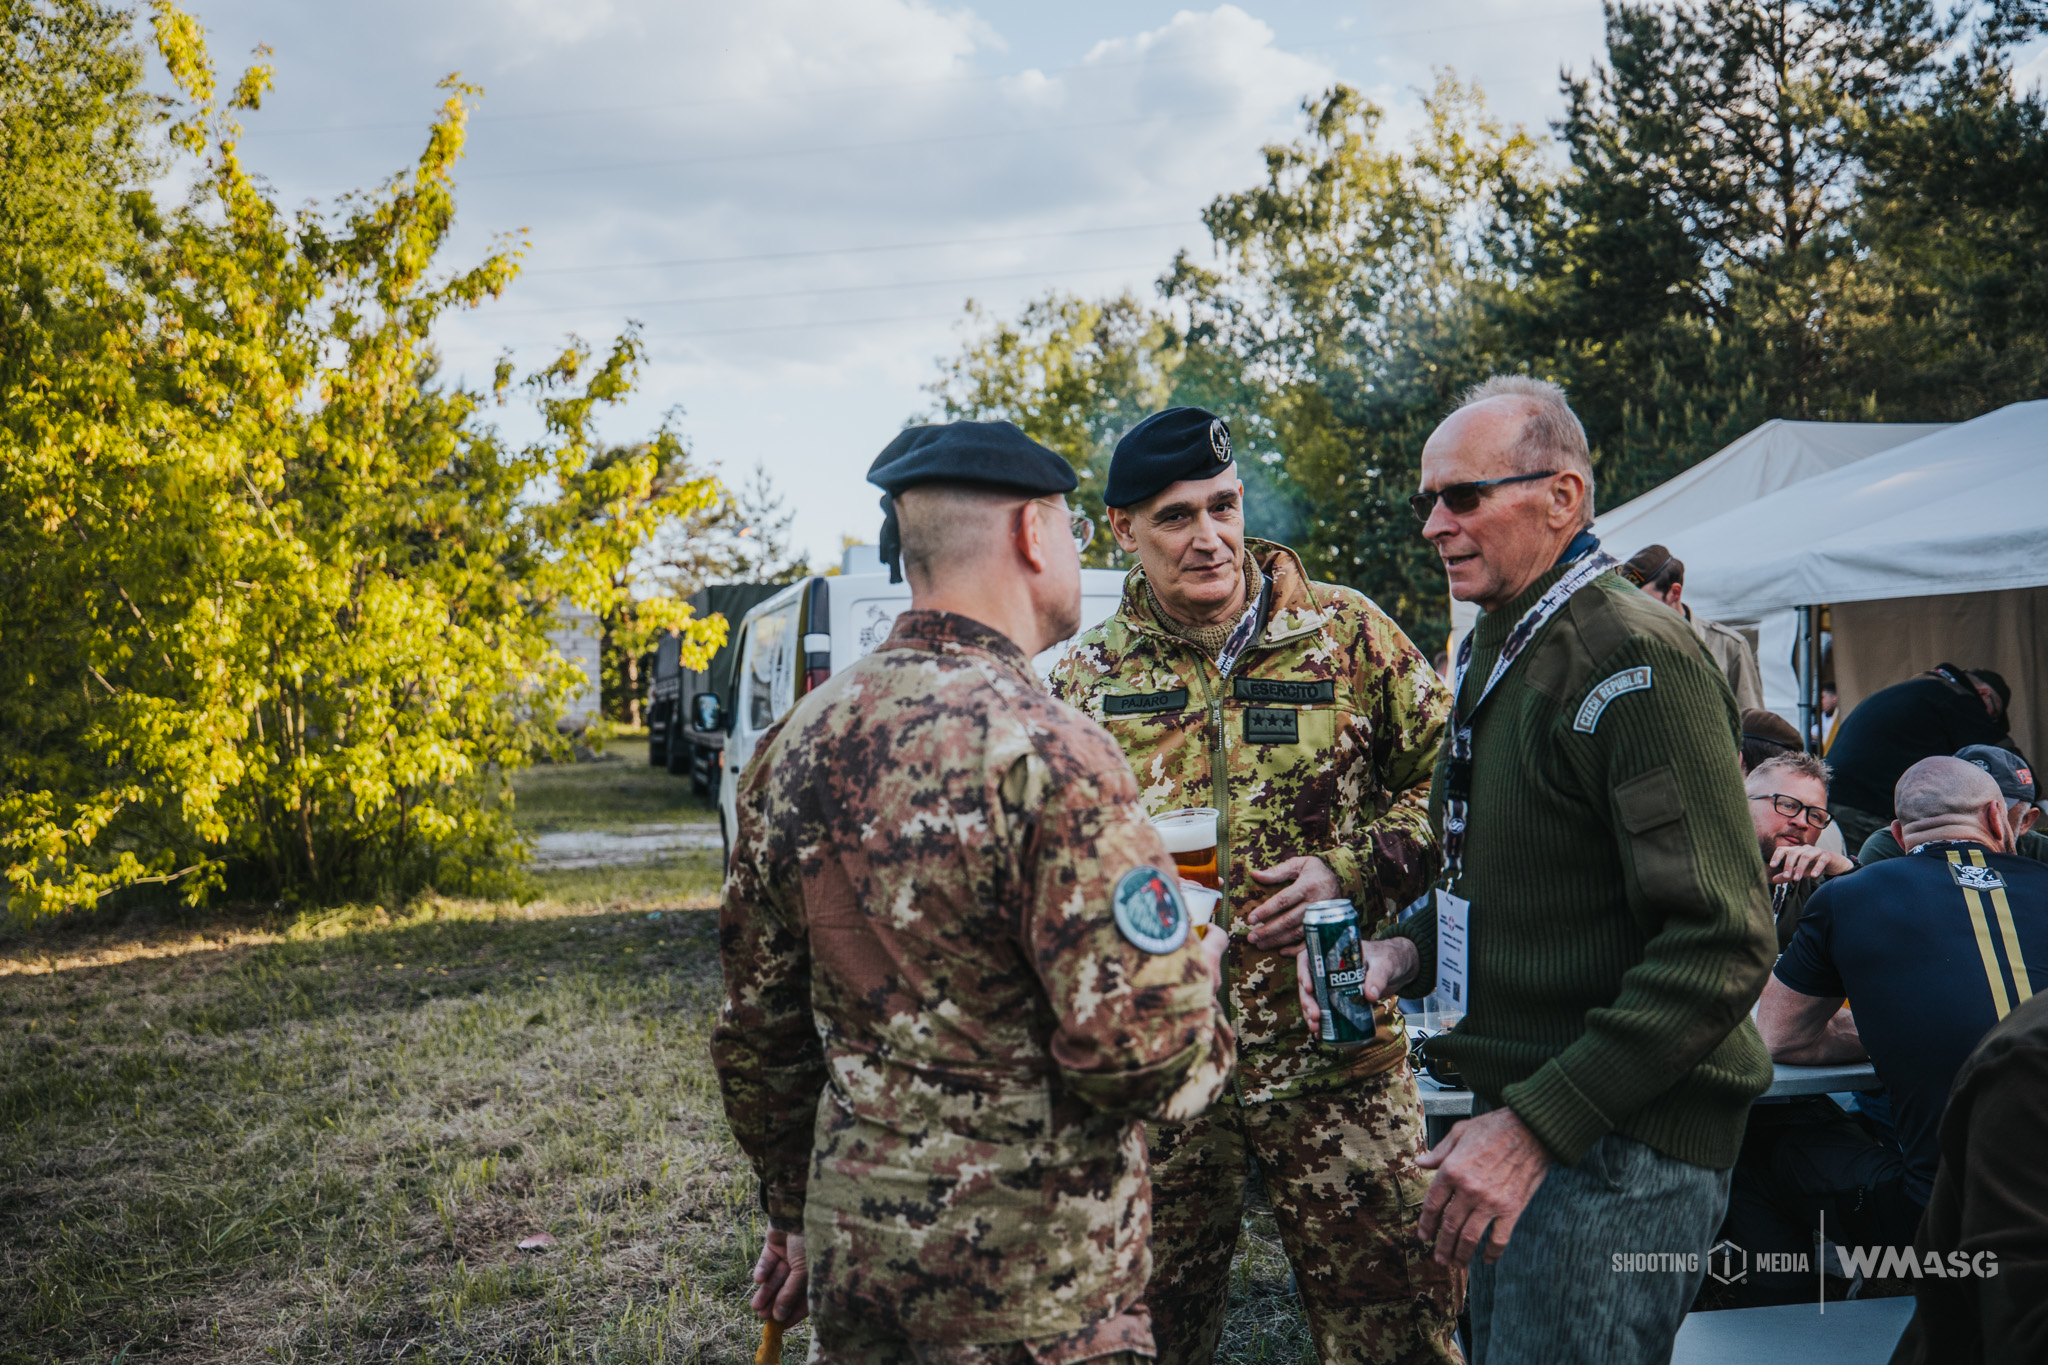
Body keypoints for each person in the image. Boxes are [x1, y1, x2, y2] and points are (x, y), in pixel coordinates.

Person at [712, 420, 1237, 1365]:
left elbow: (758, 1030)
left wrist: (790, 1208)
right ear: (1035, 534)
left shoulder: (799, 740)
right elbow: (1140, 1055)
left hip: (865, 1259)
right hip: (1036, 1286)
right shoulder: (1052, 748)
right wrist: (1200, 974)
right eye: (1074, 528)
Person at [1301, 375, 1775, 1365]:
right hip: (1531, 1128)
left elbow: (1720, 945)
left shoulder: (1631, 658)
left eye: (1461, 495)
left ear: (1561, 498)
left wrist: (1529, 1131)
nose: (1433, 524)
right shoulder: (1502, 644)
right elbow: (1500, 872)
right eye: (1429, 498)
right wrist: (1396, 952)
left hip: (1610, 1149)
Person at [1048, 406, 1461, 1365]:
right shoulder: (1081, 680)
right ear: (1123, 530)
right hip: (1163, 1074)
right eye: (1177, 517)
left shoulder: (1349, 636)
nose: (1211, 538)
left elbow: (1456, 791)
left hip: (1337, 1053)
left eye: (1224, 506)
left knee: (1398, 1333)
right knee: (1141, 1339)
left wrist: (1353, 870)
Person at [1759, 756, 2048, 1283]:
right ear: (1997, 817)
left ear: (1897, 832)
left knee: (1762, 1133)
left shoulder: (1847, 897)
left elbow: (1776, 1037)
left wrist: (1889, 1032)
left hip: (1947, 1231)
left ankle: (1780, 1316)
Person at [1889, 990, 2048, 1365]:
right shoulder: (2032, 1064)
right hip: (1920, 1195)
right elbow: (2022, 1340)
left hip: (1918, 1179)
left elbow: (1782, 1034)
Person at [1822, 664, 2016, 849]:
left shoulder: (1920, 690)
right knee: (1871, 875)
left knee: (1843, 871)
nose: (1987, 720)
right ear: (1984, 694)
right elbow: (2004, 757)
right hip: (1867, 807)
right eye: (1993, 714)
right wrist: (2038, 794)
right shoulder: (1958, 697)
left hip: (1834, 796)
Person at [1618, 544, 1764, 712]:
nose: (1635, 609)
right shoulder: (1628, 647)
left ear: (1674, 592)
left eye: (1643, 601)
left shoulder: (1727, 645)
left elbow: (1753, 722)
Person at [1860, 744, 2048, 865]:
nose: (1967, 820)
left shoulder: (2041, 854)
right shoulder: (1887, 848)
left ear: (2026, 821)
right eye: (1958, 803)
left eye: (1989, 810)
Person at [1746, 752, 1856, 949]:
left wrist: (1845, 869)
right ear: (1744, 803)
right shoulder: (1700, 875)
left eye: (1815, 816)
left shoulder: (1815, 894)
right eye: (1788, 805)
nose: (1802, 822)